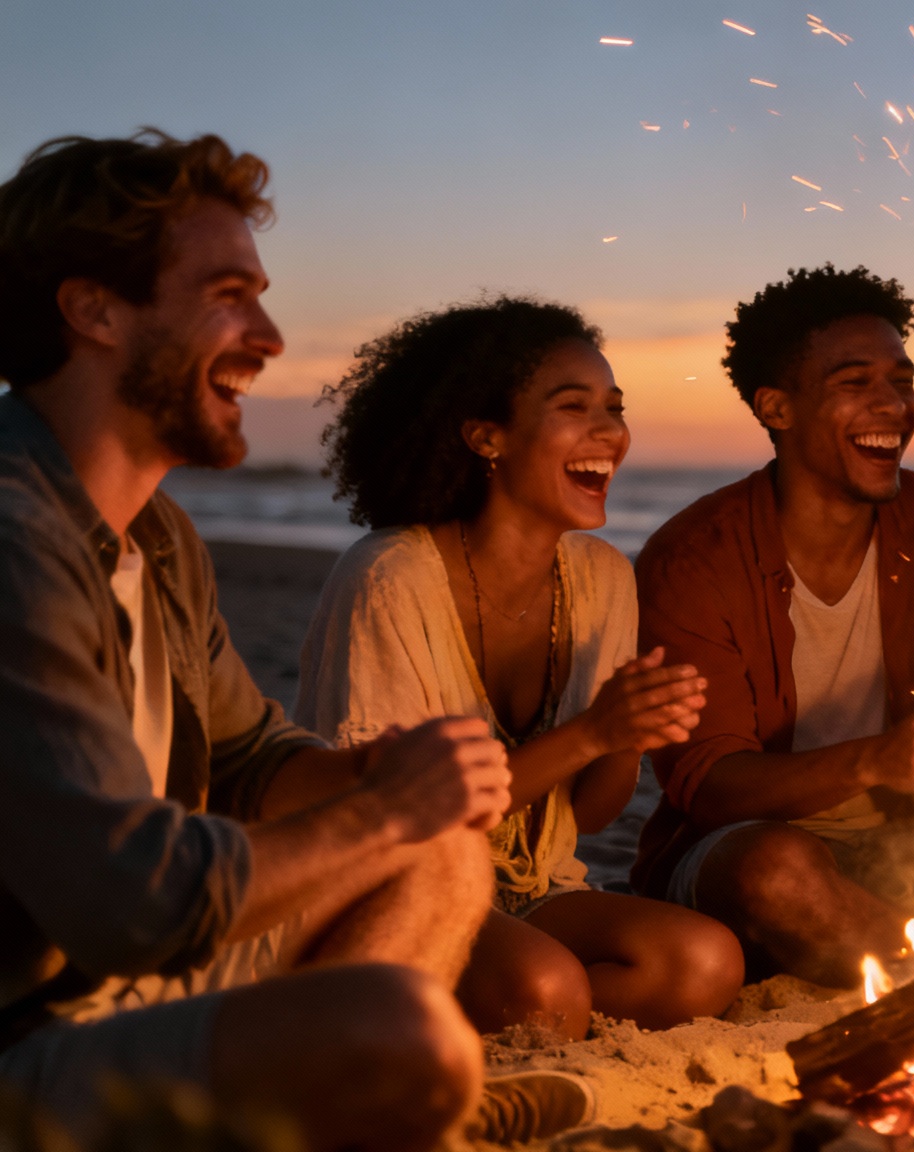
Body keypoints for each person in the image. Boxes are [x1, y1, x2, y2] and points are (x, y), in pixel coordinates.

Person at [0, 130, 589, 1149]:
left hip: (121, 991)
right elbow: (133, 905)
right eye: (229, 292)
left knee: (445, 855)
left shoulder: (159, 538)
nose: (269, 335)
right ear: (93, 307)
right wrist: (383, 810)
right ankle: (401, 1102)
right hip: (26, 1041)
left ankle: (379, 1106)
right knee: (400, 1026)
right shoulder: (15, 540)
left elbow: (246, 757)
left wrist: (372, 772)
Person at [298, 297, 745, 1040]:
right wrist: (590, 731)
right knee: (546, 989)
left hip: (529, 891)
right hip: (395, 887)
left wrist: (625, 730)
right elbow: (395, 823)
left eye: (615, 407)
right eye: (576, 407)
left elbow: (590, 815)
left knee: (705, 961)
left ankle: (497, 1019)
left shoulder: (603, 578)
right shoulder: (389, 579)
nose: (610, 432)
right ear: (486, 437)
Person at [631, 265, 914, 986]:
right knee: (777, 872)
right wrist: (875, 761)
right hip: (742, 848)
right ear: (776, 408)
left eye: (902, 380)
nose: (893, 405)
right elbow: (709, 786)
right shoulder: (692, 559)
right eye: (854, 383)